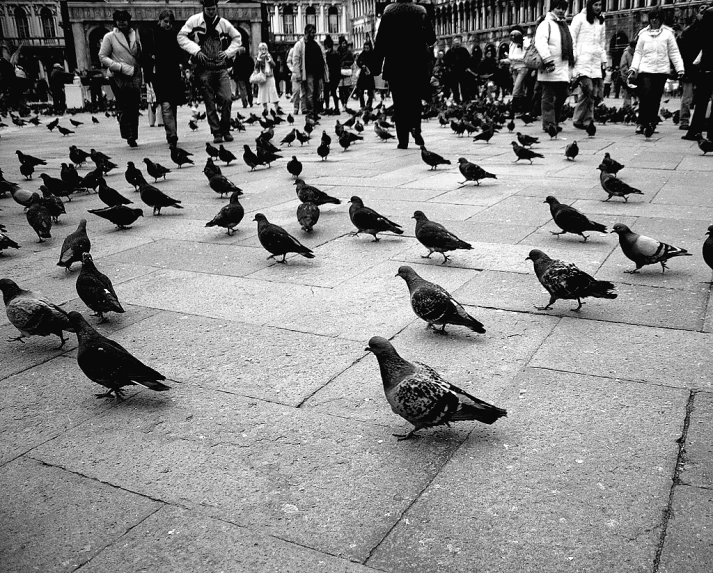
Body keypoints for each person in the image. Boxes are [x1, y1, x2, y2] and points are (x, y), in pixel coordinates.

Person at [177, 0, 244, 143]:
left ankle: (226, 129)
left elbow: (237, 38)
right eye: (208, 9)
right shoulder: (194, 21)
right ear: (204, 9)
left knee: (227, 98)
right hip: (204, 68)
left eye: (213, 9)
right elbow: (181, 36)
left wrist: (228, 53)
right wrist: (196, 51)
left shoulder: (223, 23)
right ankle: (216, 132)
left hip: (221, 68)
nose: (211, 12)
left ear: (216, 8)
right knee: (210, 103)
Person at [373, 0, 436, 149]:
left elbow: (380, 41)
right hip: (416, 65)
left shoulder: (389, 11)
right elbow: (431, 38)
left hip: (396, 65)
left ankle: (403, 140)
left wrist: (376, 66)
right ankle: (416, 129)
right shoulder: (421, 11)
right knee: (414, 101)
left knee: (400, 103)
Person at [629, 6, 684, 135]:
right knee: (645, 96)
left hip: (661, 70)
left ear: (661, 20)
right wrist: (634, 68)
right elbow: (638, 52)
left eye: (657, 18)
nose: (654, 21)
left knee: (655, 98)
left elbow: (674, 52)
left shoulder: (668, 34)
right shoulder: (643, 34)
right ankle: (641, 122)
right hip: (646, 70)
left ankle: (652, 122)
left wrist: (679, 68)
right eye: (652, 18)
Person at [99, 9, 142, 147]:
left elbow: (138, 53)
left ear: (129, 20)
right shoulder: (109, 37)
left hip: (134, 73)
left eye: (124, 19)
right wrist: (117, 66)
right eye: (119, 19)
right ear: (115, 21)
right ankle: (127, 134)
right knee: (124, 104)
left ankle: (133, 135)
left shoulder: (134, 34)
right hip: (118, 75)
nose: (122, 22)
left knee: (134, 105)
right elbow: (102, 56)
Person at [143, 9, 186, 147]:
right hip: (159, 75)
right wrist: (148, 74)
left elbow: (181, 53)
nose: (168, 24)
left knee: (172, 106)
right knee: (166, 104)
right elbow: (145, 55)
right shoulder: (152, 35)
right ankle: (172, 135)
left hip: (173, 74)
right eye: (165, 21)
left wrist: (183, 64)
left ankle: (172, 131)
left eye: (170, 22)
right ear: (160, 21)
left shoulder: (175, 35)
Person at [535, 0, 575, 134]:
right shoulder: (545, 24)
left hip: (563, 68)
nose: (561, 11)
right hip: (549, 67)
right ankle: (549, 124)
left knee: (563, 94)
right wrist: (548, 60)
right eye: (558, 8)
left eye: (563, 8)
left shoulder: (565, 26)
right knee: (548, 97)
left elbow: (571, 46)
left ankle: (555, 120)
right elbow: (540, 43)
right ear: (552, 9)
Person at [570, 0, 607, 129]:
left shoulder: (601, 21)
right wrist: (574, 55)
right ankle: (578, 118)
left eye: (599, 5)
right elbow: (572, 38)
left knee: (593, 93)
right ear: (589, 5)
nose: (598, 7)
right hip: (582, 61)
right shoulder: (579, 19)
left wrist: (604, 60)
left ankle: (586, 120)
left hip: (595, 62)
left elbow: (602, 43)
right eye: (595, 5)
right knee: (588, 89)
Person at [683, 6, 713, 141]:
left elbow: (690, 36)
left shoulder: (709, 13)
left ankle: (695, 131)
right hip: (707, 64)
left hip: (707, 65)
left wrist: (698, 20)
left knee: (701, 101)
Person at [677, 3, 707, 131]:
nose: (704, 13)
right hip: (690, 67)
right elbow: (680, 43)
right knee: (687, 97)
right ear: (697, 14)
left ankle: (702, 121)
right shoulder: (690, 29)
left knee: (703, 97)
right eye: (702, 10)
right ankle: (684, 120)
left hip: (704, 67)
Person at [291, 24, 329, 116]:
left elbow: (323, 58)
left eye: (314, 32)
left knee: (318, 91)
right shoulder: (299, 45)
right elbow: (295, 60)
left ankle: (316, 108)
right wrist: (297, 74)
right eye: (312, 32)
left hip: (318, 72)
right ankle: (310, 109)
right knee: (309, 92)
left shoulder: (317, 44)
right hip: (308, 72)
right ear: (306, 33)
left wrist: (325, 72)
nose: (313, 34)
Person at [500, 26, 529, 115]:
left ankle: (513, 110)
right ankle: (522, 109)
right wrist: (505, 61)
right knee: (520, 90)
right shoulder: (512, 44)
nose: (512, 37)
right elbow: (511, 57)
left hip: (522, 68)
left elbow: (525, 56)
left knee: (516, 89)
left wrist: (511, 58)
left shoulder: (525, 42)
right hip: (514, 69)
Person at [444, 35, 472, 103]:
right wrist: (449, 68)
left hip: (462, 71)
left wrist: (467, 67)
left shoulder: (464, 50)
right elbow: (446, 61)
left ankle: (465, 100)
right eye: (455, 42)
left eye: (458, 41)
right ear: (453, 42)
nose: (457, 43)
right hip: (453, 72)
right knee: (455, 88)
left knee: (464, 87)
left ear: (460, 42)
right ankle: (457, 101)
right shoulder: (449, 52)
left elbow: (468, 60)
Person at [254, 42, 280, 112]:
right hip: (263, 77)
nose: (264, 50)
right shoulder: (257, 56)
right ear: (259, 49)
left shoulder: (269, 55)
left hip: (270, 76)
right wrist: (259, 59)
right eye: (262, 49)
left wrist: (269, 59)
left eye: (265, 49)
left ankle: (277, 107)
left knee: (273, 91)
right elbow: (256, 67)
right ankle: (265, 108)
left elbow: (274, 65)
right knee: (263, 93)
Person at [356, 41, 377, 110]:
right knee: (360, 90)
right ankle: (362, 105)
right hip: (363, 75)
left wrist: (370, 69)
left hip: (369, 75)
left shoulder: (372, 55)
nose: (366, 49)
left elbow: (375, 64)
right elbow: (358, 62)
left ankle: (369, 105)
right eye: (365, 48)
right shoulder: (362, 54)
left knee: (370, 91)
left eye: (367, 48)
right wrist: (361, 65)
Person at [323, 36, 342, 113]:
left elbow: (327, 66)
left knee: (326, 92)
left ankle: (328, 108)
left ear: (326, 45)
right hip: (336, 76)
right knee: (334, 92)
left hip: (329, 76)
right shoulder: (337, 53)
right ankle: (336, 108)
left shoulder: (327, 54)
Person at [337, 36, 355, 108]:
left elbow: (352, 60)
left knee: (346, 89)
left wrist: (345, 63)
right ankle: (342, 103)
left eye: (345, 43)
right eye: (342, 43)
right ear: (340, 44)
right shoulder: (338, 52)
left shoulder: (348, 52)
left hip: (346, 71)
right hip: (339, 72)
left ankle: (345, 103)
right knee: (341, 89)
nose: (344, 45)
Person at [619, 40, 636, 107]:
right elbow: (623, 66)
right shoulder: (626, 53)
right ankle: (627, 111)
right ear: (632, 47)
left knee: (634, 96)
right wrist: (629, 73)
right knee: (627, 96)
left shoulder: (634, 54)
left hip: (634, 78)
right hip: (626, 78)